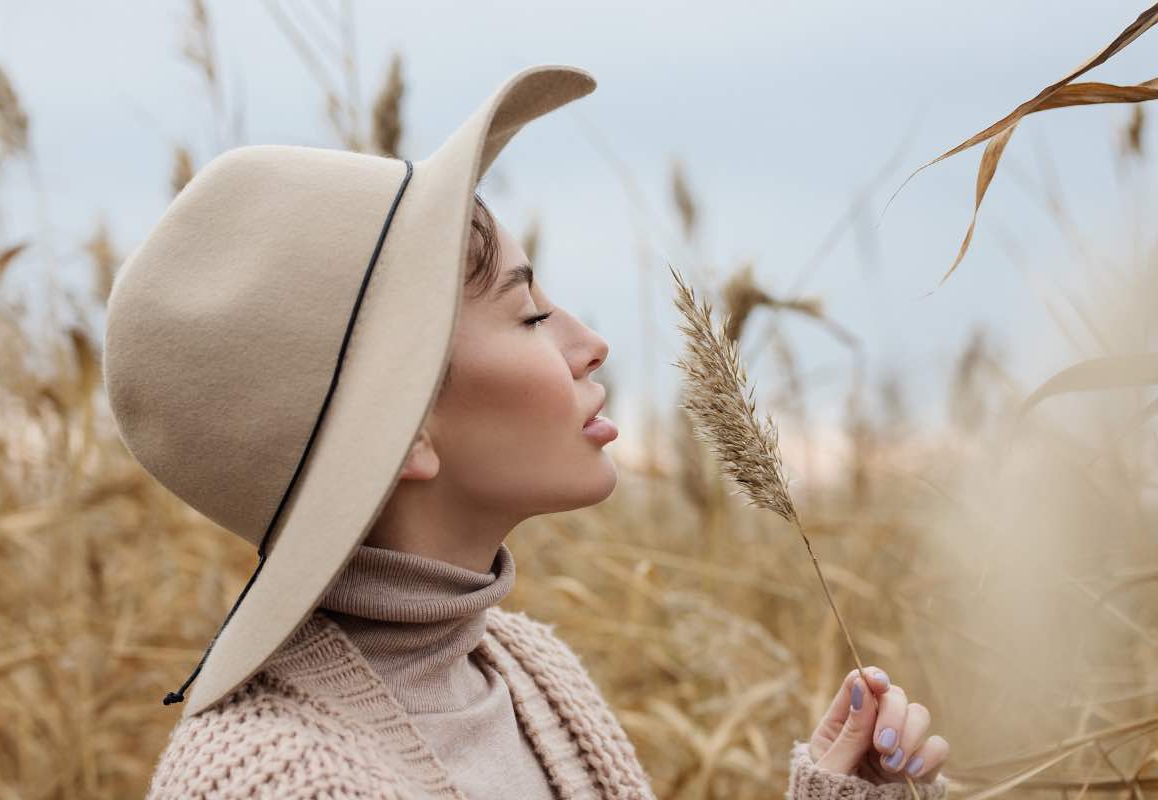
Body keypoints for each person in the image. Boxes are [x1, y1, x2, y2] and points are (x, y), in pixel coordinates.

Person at [102, 64, 950, 799]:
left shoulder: (525, 670)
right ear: (405, 432)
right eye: (531, 313)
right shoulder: (274, 777)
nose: (589, 344)